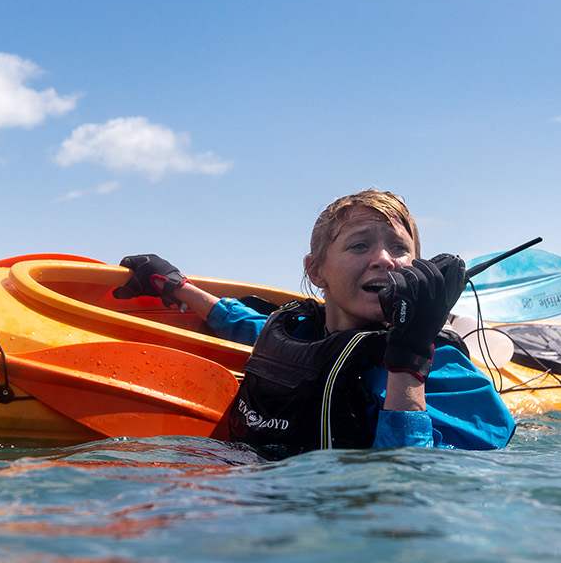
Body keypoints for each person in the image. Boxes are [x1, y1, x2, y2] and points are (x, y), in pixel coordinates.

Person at [112, 189, 515, 455]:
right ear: (316, 271)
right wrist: (176, 285)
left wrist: (409, 363)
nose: (384, 259)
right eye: (360, 245)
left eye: (399, 247)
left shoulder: (449, 373)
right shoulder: (298, 333)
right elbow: (247, 326)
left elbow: (406, 500)